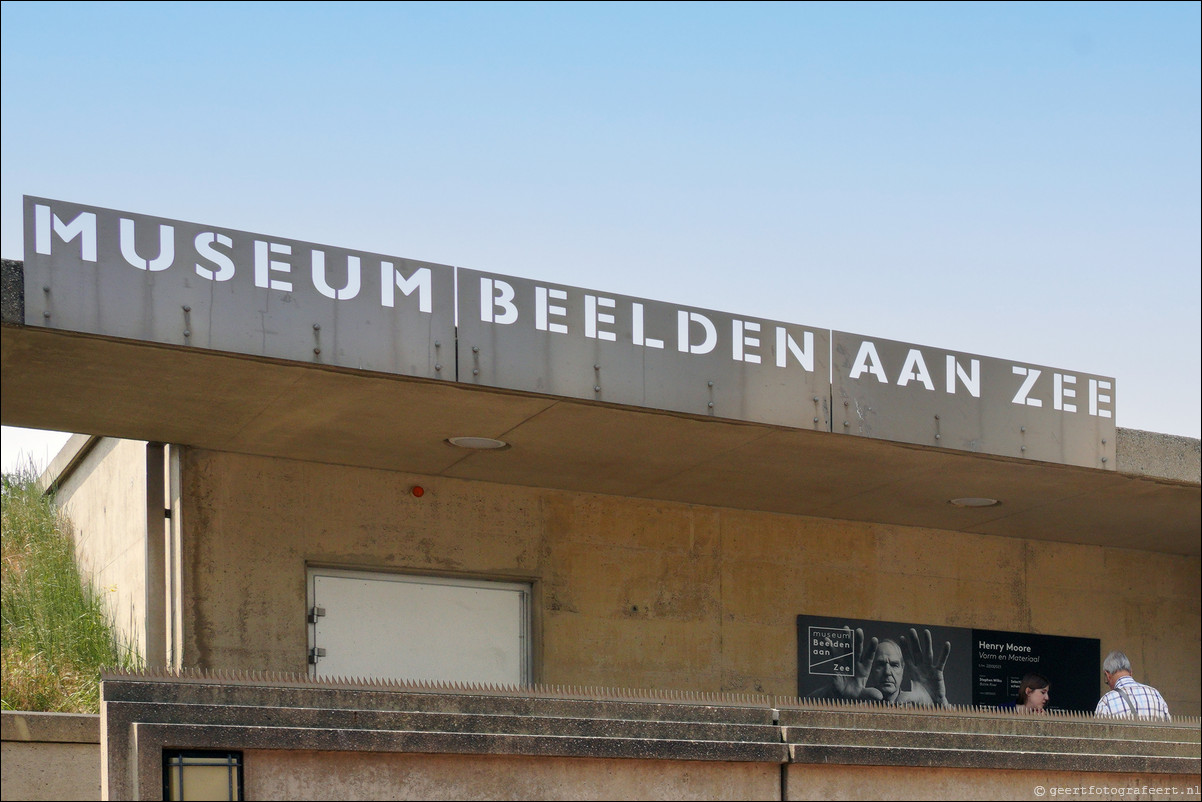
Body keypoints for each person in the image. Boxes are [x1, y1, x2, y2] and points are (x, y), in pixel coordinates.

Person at [821, 627, 952, 707]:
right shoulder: (854, 706)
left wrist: (939, 704)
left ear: (903, 669)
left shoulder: (921, 706)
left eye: (894, 665)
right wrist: (832, 695)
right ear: (870, 669)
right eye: (880, 665)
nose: (888, 672)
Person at [1095, 650, 1170, 721]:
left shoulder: (1106, 701)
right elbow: (1170, 729)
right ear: (1131, 672)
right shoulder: (1155, 694)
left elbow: (1097, 733)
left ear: (1107, 675)